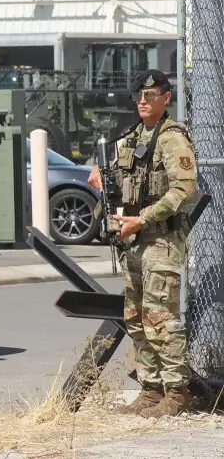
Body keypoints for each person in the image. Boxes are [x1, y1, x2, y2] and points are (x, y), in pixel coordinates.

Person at [88, 69, 197, 417]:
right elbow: (116, 178)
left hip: (161, 238)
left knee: (161, 317)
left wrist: (144, 218)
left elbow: (183, 189)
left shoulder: (172, 138)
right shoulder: (133, 136)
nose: (143, 101)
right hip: (133, 239)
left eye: (151, 95)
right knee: (135, 317)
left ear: (166, 98)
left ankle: (177, 393)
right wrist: (100, 179)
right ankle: (151, 390)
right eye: (139, 96)